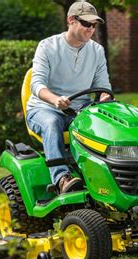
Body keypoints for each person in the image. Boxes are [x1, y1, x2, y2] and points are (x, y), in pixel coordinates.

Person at [27, 1, 112, 194]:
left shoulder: (97, 51)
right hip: (44, 108)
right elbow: (36, 84)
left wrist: (105, 98)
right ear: (71, 20)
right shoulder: (47, 46)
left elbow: (103, 87)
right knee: (51, 123)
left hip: (79, 109)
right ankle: (61, 178)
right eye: (86, 24)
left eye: (94, 25)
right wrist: (55, 100)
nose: (91, 29)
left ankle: (103, 177)